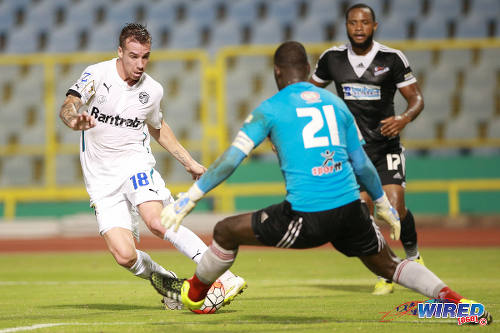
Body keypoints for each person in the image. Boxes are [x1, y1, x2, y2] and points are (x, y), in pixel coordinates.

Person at [148, 41, 491, 325]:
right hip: (352, 209)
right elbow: (362, 164)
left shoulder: (271, 108)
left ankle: (193, 296)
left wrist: (191, 197)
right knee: (389, 265)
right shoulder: (336, 104)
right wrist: (383, 205)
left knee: (224, 231)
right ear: (307, 67)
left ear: (277, 72)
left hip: (308, 216)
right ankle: (460, 305)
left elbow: (231, 159)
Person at [59, 23, 246, 310]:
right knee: (124, 255)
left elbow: (158, 127)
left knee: (157, 222)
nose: (140, 64)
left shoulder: (153, 90)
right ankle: (169, 282)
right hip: (101, 180)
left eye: (145, 56)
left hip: (135, 164)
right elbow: (69, 104)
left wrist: (190, 162)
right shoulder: (97, 75)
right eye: (133, 56)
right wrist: (74, 120)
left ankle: (225, 276)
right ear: (119, 51)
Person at [309, 3, 425, 295]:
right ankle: (390, 270)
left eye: (364, 22)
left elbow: (417, 99)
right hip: (352, 152)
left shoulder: (392, 59)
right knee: (366, 214)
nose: (358, 27)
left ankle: (413, 256)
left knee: (395, 209)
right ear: (346, 26)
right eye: (352, 23)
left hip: (385, 148)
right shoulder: (332, 59)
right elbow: (308, 94)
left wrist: (403, 118)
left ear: (375, 26)